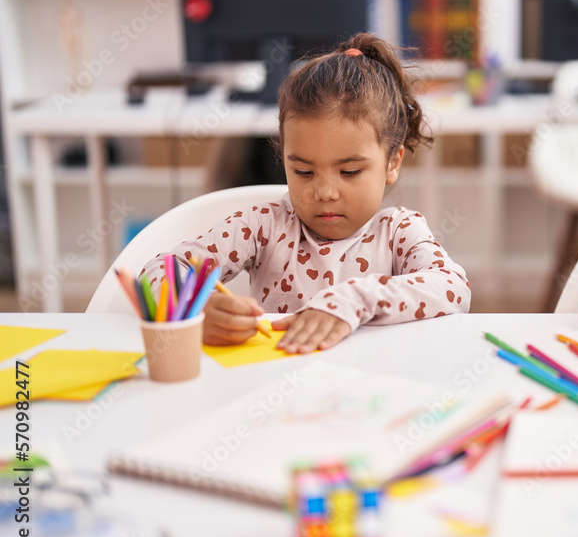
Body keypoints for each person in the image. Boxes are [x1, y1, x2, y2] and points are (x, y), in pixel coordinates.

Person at [142, 33, 470, 353]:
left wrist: (355, 299)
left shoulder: (400, 232)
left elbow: (454, 290)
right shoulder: (261, 226)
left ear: (392, 163)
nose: (324, 192)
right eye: (303, 172)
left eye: (349, 172)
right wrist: (191, 307)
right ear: (284, 157)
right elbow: (161, 269)